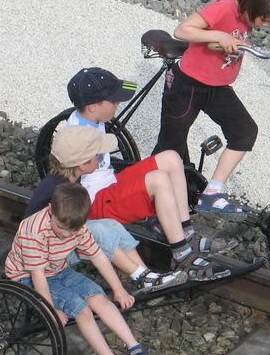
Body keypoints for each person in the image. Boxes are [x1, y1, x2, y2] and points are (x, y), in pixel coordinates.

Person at [65, 72, 231, 281]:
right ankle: (181, 254)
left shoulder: (89, 117)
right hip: (97, 202)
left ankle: (186, 231)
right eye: (114, 100)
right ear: (93, 106)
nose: (117, 104)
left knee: (171, 158)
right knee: (159, 180)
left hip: (108, 182)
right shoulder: (78, 136)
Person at [152, 0, 270, 216]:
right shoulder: (225, 8)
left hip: (218, 87)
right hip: (189, 85)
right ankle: (152, 198)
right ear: (251, 6)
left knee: (245, 131)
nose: (265, 25)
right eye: (264, 19)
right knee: (170, 147)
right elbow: (182, 30)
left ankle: (212, 193)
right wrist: (219, 36)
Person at [4, 181, 156, 355]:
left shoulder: (78, 227)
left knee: (99, 297)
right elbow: (38, 277)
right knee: (81, 309)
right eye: (60, 228)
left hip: (58, 269)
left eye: (71, 231)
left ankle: (133, 346)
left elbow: (99, 257)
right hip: (27, 277)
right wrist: (50, 312)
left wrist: (118, 288)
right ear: (50, 211)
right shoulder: (33, 232)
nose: (66, 235)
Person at [25, 128, 187, 295]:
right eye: (97, 155)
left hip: (60, 241)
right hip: (47, 255)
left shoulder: (68, 179)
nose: (99, 158)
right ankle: (140, 276)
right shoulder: (57, 190)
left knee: (111, 225)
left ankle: (147, 278)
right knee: (98, 230)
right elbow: (36, 232)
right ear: (82, 165)